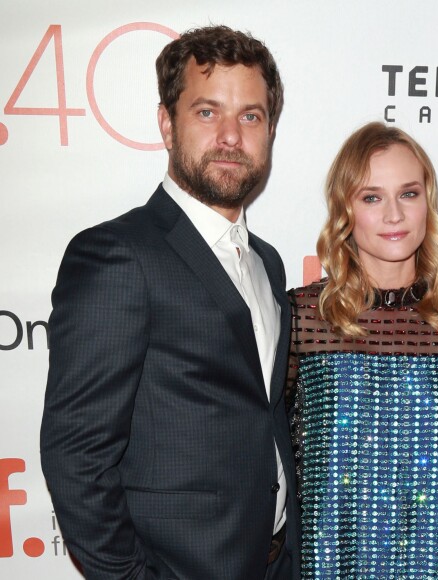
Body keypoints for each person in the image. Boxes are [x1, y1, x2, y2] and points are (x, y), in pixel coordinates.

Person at [40, 25, 299, 580]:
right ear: (166, 122)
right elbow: (76, 454)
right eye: (208, 112)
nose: (231, 135)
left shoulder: (268, 263)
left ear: (270, 130)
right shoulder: (117, 255)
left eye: (250, 116)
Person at [287, 122, 438, 578]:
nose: (394, 215)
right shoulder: (301, 317)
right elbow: (270, 454)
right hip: (326, 564)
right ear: (345, 209)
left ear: (427, 202)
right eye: (372, 197)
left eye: (408, 194)